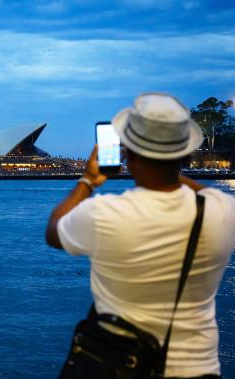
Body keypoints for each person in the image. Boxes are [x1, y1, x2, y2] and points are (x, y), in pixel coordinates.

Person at [45, 93, 234, 378]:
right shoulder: (223, 210)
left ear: (127, 153)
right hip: (197, 369)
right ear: (185, 154)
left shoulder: (105, 213)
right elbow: (204, 192)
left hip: (118, 366)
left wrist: (88, 181)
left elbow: (54, 231)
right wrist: (167, 165)